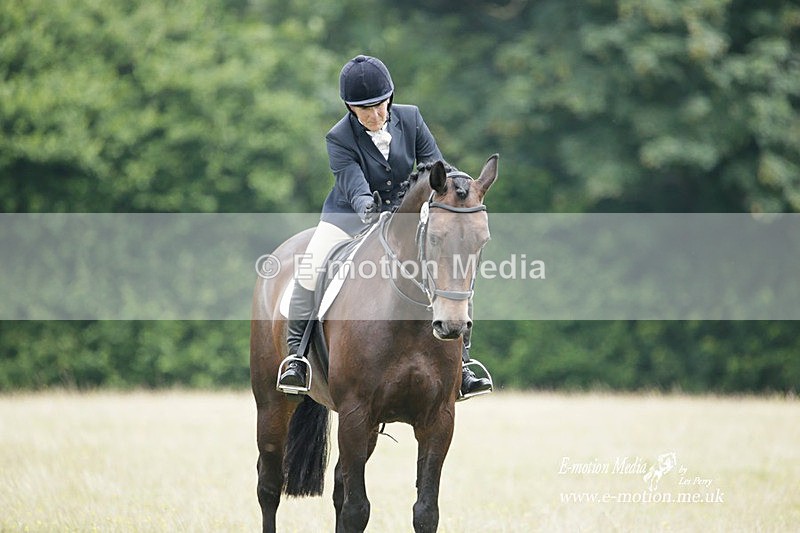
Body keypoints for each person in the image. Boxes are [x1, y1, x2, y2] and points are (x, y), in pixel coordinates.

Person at [278, 54, 492, 398]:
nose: (376, 116)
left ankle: (463, 363)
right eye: (366, 111)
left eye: (380, 107)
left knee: (453, 266)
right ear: (350, 108)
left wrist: (462, 189)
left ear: (389, 98)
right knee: (311, 266)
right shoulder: (339, 137)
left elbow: (436, 165)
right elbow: (352, 182)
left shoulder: (411, 118)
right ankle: (296, 359)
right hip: (349, 215)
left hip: (406, 215)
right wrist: (367, 207)